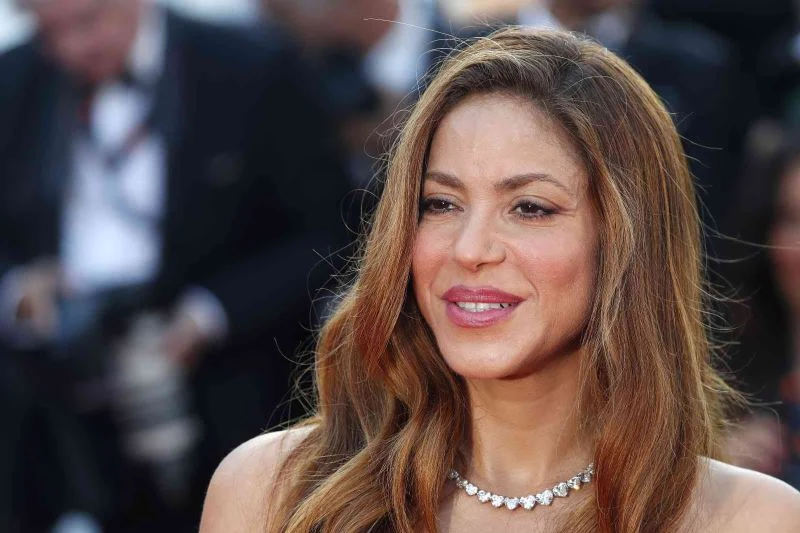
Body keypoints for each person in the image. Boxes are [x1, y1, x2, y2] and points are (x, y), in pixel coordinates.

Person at [199, 28, 800, 532]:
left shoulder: (749, 519)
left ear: (626, 240)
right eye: (440, 204)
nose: (470, 250)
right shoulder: (272, 493)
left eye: (530, 208)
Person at [0, 0, 351, 530]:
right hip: (60, 404)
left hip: (229, 391)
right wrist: (19, 290)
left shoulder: (250, 66)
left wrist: (209, 315)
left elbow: (331, 232)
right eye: (49, 32)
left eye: (87, 21)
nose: (72, 48)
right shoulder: (15, 79)